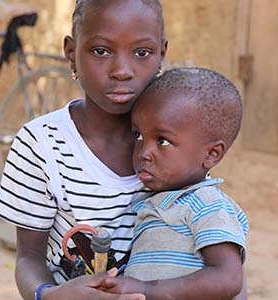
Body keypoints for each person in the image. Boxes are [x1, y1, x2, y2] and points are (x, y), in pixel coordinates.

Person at [0, 1, 247, 299]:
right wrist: (48, 295)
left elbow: (219, 259)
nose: (122, 71)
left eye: (142, 53)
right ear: (72, 53)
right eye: (101, 51)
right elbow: (28, 258)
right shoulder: (41, 144)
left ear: (161, 55)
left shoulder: (177, 138)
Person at [110, 67, 249, 299]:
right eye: (138, 136)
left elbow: (229, 278)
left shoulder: (207, 204)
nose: (144, 152)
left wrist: (146, 290)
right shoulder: (151, 200)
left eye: (163, 141)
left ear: (211, 154)